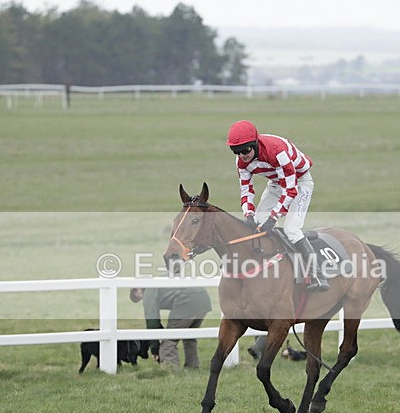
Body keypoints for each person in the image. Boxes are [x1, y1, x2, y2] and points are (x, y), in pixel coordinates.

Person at [226, 120, 329, 292]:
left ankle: (318, 275)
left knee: (292, 230)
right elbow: (246, 190)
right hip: (276, 183)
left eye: (245, 150)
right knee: (258, 224)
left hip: (299, 182)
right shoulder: (241, 162)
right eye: (236, 151)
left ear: (255, 144)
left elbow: (290, 190)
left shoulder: (277, 152)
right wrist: (248, 214)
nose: (242, 155)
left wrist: (273, 218)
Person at [129, 287, 212, 369]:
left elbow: (152, 323)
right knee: (189, 337)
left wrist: (155, 349)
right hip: (203, 298)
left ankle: (171, 370)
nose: (140, 298)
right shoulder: (158, 281)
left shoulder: (149, 292)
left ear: (137, 290)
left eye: (136, 295)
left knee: (168, 341)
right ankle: (192, 367)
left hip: (186, 302)